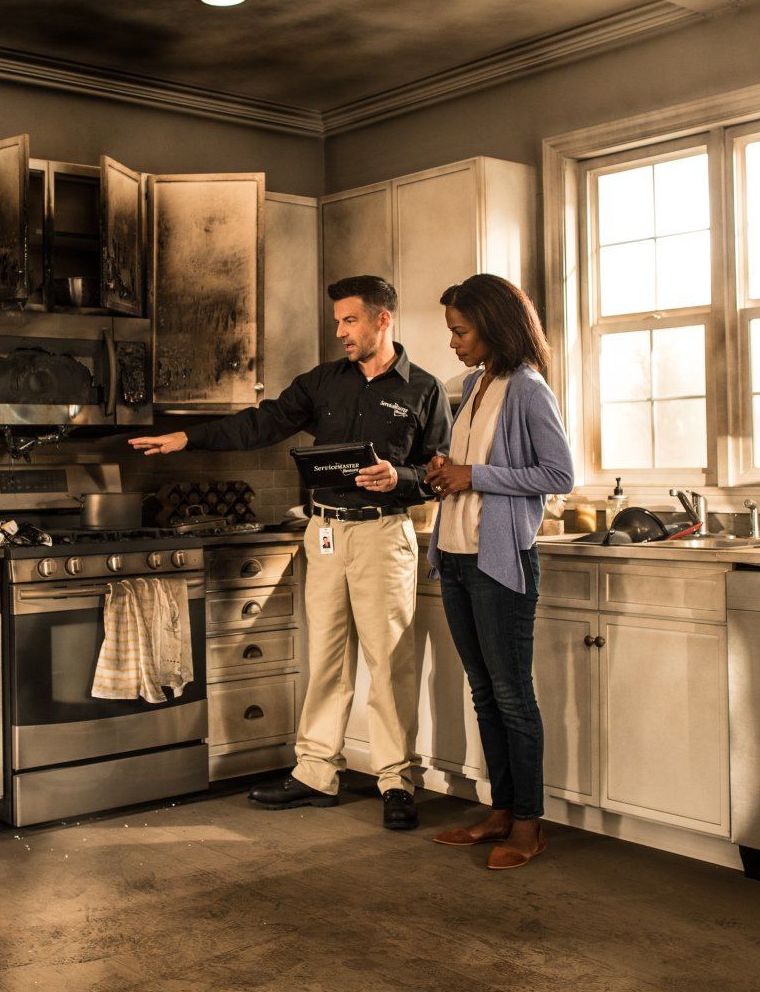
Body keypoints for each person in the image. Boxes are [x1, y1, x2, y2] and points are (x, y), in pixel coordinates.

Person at [129, 275, 451, 830]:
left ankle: (396, 780)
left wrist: (400, 476)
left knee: (390, 663)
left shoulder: (423, 389)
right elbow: (262, 423)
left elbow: (439, 474)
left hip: (383, 535)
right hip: (324, 534)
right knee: (325, 657)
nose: (340, 332)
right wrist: (186, 438)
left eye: (350, 320)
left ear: (383, 319)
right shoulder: (322, 383)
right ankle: (316, 772)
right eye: (338, 322)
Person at [423, 274, 573, 869]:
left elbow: (558, 476)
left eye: (461, 331)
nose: (454, 343)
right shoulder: (473, 384)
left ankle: (529, 824)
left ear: (494, 325)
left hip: (501, 564)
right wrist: (447, 469)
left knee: (512, 696)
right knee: (484, 693)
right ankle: (502, 811)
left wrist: (472, 476)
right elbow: (474, 467)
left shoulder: (528, 388)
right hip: (457, 558)